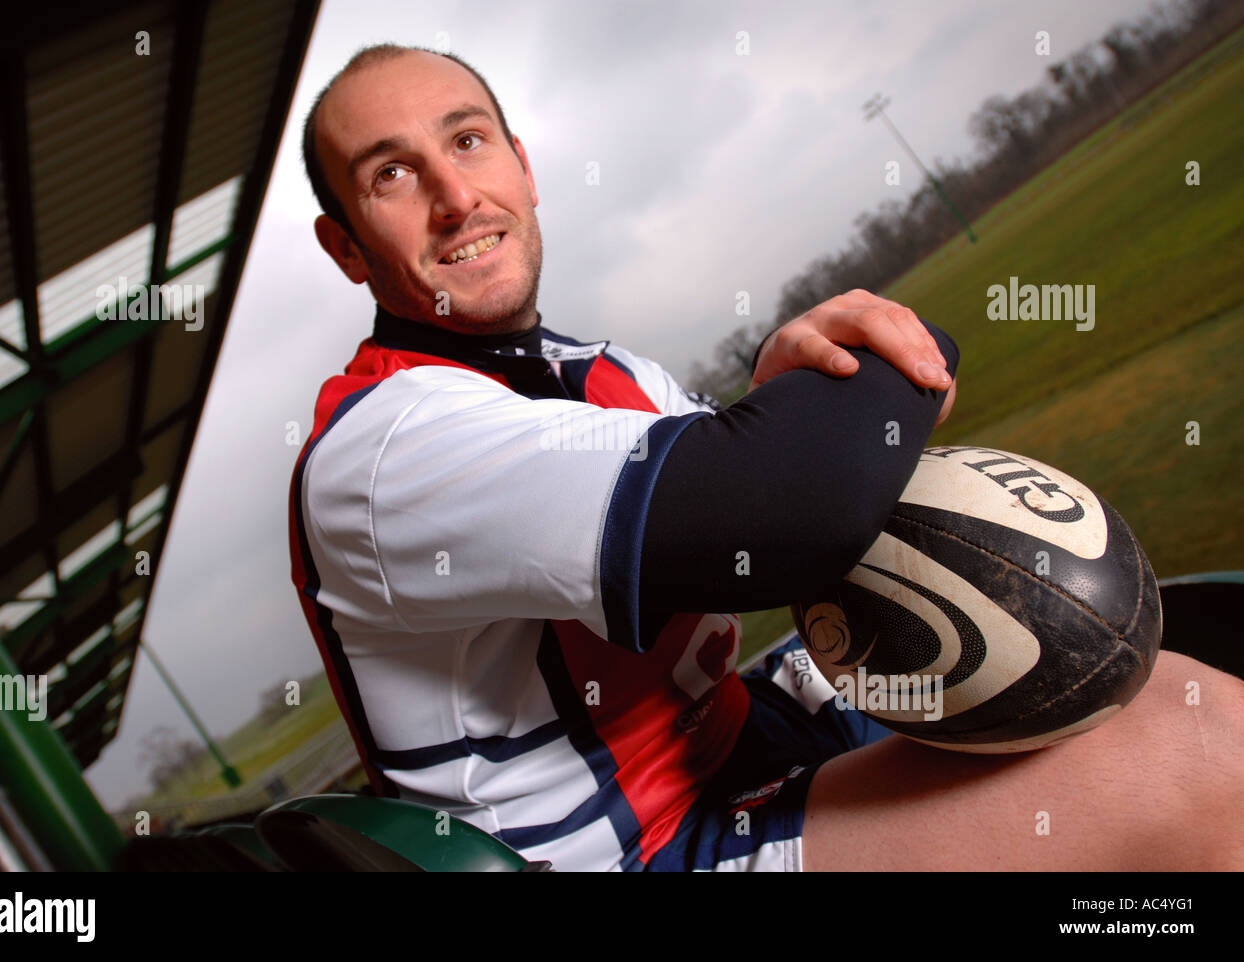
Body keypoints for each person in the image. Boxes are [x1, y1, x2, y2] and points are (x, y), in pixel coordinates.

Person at [289, 43, 1243, 871]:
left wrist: (789, 401)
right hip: (644, 851)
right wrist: (901, 347)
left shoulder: (609, 373)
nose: (456, 197)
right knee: (1196, 750)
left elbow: (779, 470)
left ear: (524, 166)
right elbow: (792, 508)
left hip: (744, 742)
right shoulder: (382, 446)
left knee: (1118, 678)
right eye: (391, 175)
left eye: (467, 141)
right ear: (348, 250)